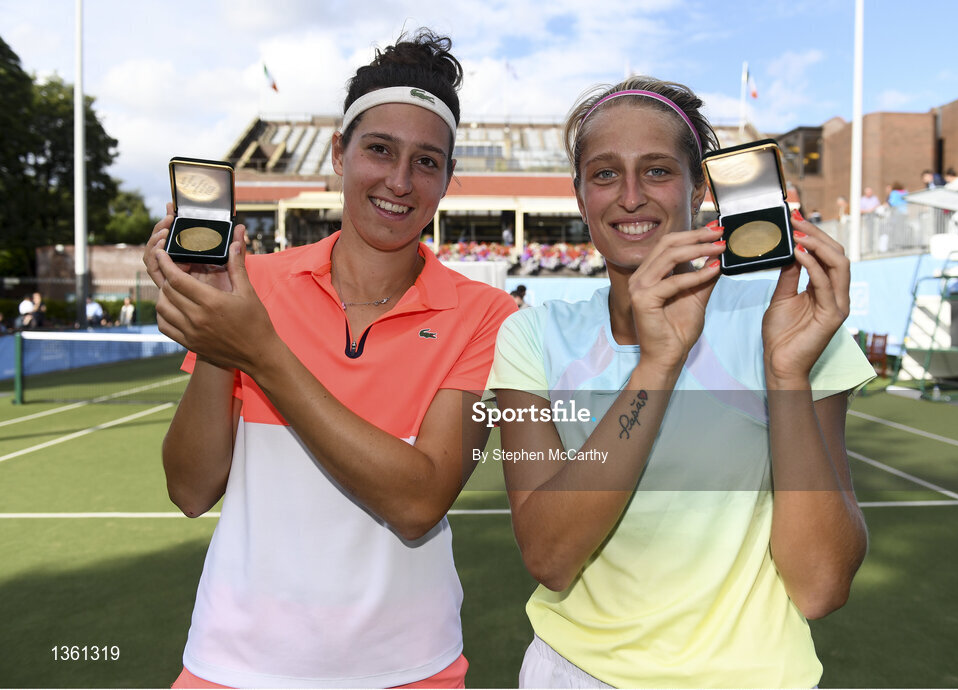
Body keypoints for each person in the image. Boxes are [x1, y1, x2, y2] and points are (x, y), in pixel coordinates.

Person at [143, 30, 516, 689]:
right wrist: (216, 345)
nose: (399, 181)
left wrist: (259, 351)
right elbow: (191, 490)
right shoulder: (250, 287)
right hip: (231, 666)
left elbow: (419, 500)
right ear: (341, 154)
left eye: (427, 162)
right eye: (379, 150)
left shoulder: (488, 317)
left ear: (447, 180)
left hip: (410, 668)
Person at [486, 77, 875, 688]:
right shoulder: (530, 338)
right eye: (606, 173)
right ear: (580, 195)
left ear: (701, 189)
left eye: (659, 171)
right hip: (575, 673)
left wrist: (787, 376)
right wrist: (657, 365)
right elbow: (549, 556)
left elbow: (822, 584)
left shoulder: (787, 322)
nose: (632, 196)